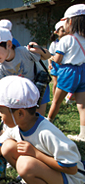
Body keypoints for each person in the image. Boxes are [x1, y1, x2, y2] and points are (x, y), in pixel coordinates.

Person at [0, 75, 85, 184]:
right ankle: (28, 179)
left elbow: (71, 168)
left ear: (20, 114)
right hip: (49, 171)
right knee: (7, 147)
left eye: (0, 111)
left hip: (71, 179)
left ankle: (30, 176)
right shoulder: (16, 126)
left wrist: (35, 154)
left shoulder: (47, 132)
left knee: (25, 164)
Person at [0, 27, 51, 116]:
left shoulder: (24, 52)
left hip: (39, 87)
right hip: (23, 93)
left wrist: (39, 50)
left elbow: (47, 56)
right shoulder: (1, 66)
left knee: (37, 118)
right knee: (25, 119)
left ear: (9, 45)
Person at [47, 4, 85, 142]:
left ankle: (48, 122)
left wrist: (48, 57)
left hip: (69, 71)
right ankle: (83, 134)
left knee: (56, 101)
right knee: (82, 105)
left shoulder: (67, 39)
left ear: (70, 22)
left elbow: (57, 59)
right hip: (83, 70)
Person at [48, 21, 66, 96]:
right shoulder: (54, 44)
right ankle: (55, 98)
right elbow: (49, 55)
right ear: (56, 32)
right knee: (56, 83)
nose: (65, 32)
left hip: (65, 66)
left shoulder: (68, 42)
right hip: (56, 66)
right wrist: (50, 64)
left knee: (64, 82)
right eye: (63, 31)